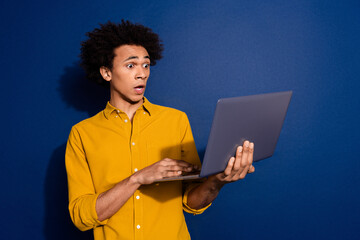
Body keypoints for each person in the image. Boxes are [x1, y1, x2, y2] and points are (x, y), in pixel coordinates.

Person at [65, 20, 255, 240]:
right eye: (130, 65)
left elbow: (191, 201)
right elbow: (81, 217)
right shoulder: (82, 134)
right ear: (107, 72)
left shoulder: (176, 121)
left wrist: (219, 180)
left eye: (146, 65)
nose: (142, 74)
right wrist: (137, 179)